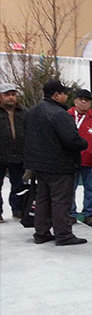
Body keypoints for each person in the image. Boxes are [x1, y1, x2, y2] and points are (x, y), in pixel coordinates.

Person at [23, 79, 88, 245]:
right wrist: (84, 143)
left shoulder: (32, 112)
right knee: (61, 201)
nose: (67, 96)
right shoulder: (60, 114)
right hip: (60, 165)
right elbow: (71, 140)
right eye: (65, 93)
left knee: (43, 200)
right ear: (57, 95)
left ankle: (41, 232)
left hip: (39, 164)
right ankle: (64, 235)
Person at [67, 89, 92, 225]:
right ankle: (71, 214)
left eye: (87, 100)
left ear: (90, 103)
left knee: (91, 189)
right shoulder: (67, 116)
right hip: (71, 160)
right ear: (75, 101)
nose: (84, 102)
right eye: (81, 99)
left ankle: (89, 214)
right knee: (69, 188)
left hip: (91, 160)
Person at [0, 82, 26, 222]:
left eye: (13, 94)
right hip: (1, 154)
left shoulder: (24, 113)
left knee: (18, 184)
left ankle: (18, 209)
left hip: (19, 154)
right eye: (7, 95)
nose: (11, 97)